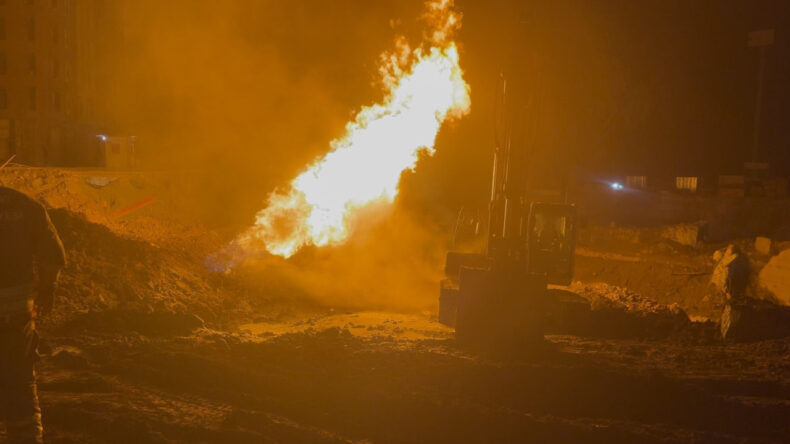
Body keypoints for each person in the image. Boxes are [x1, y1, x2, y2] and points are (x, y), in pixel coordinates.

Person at [0, 185, 65, 444]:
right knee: (21, 384)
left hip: (17, 315)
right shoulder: (26, 206)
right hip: (17, 318)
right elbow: (53, 255)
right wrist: (48, 288)